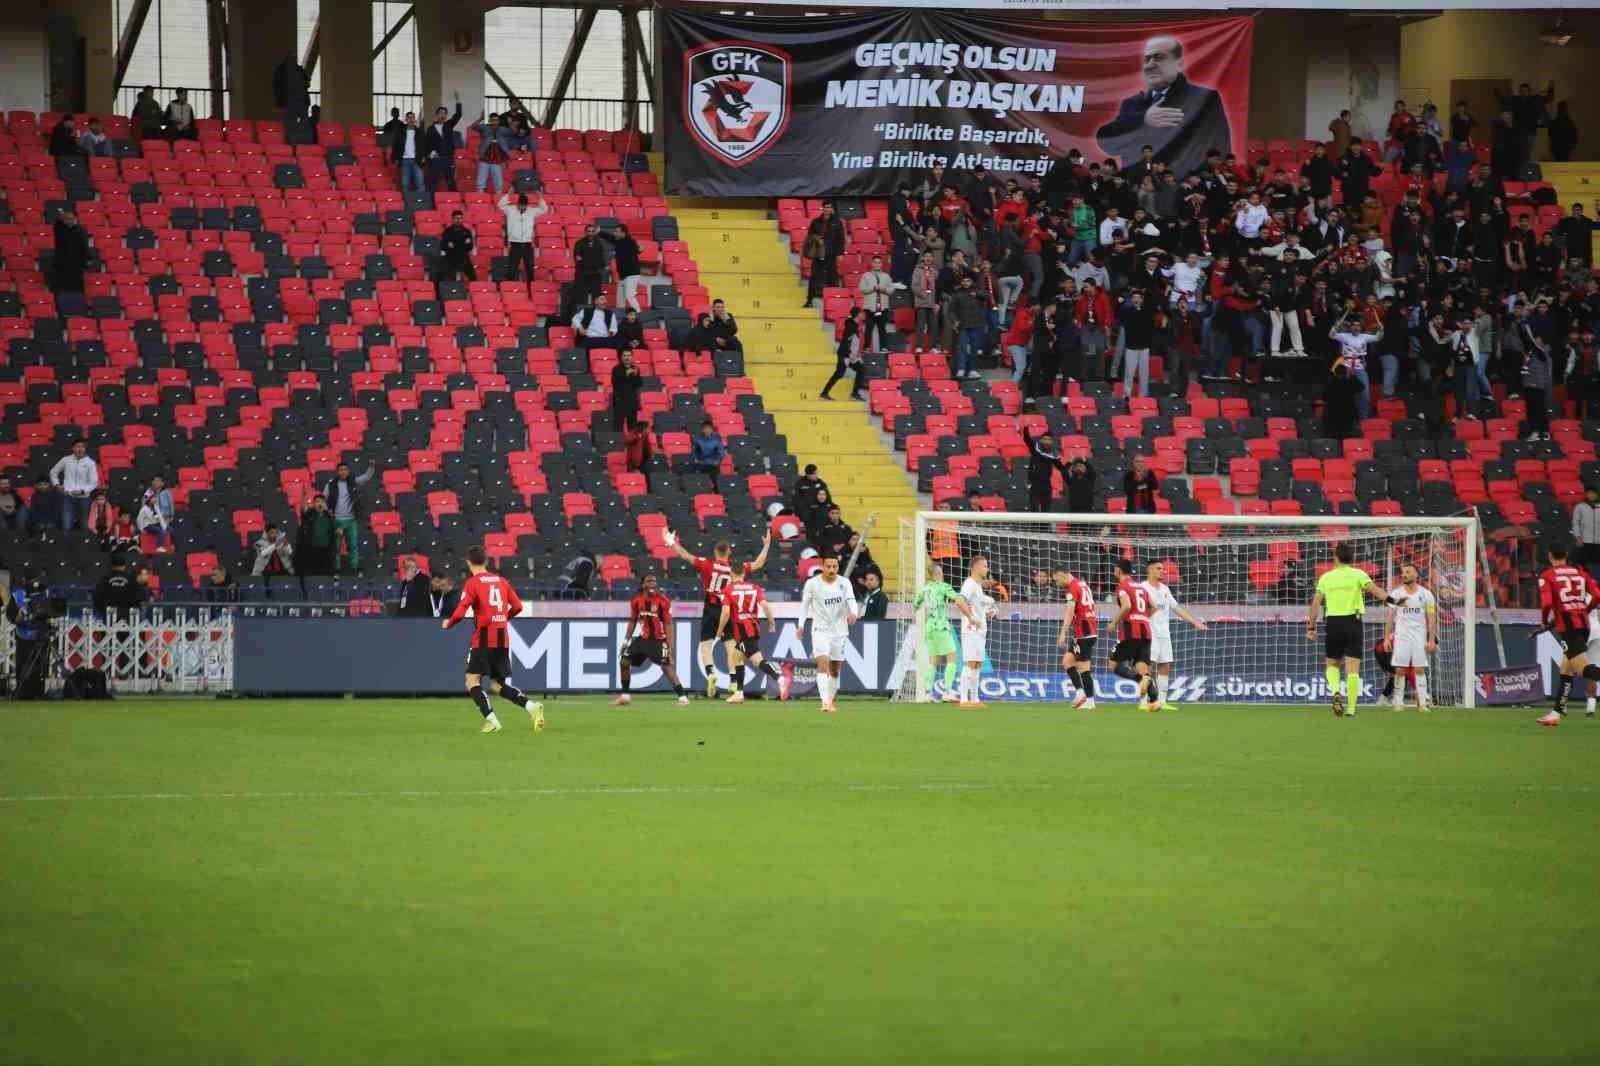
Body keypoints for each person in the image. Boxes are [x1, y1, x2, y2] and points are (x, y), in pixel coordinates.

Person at [1095, 35, 1232, 183]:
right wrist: (1143, 120)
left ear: (1179, 64)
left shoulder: (1204, 98)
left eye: (1159, 57)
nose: (1150, 64)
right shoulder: (1132, 103)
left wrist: (1194, 181)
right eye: (1147, 59)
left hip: (1181, 188)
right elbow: (1108, 143)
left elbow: (1219, 148)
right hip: (1137, 188)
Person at [442, 546, 544, 733]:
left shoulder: (473, 583)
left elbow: (462, 609)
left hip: (483, 637)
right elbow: (518, 606)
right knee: (498, 685)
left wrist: (449, 623)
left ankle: (492, 720)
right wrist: (503, 618)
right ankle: (531, 706)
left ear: (468, 562)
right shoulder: (502, 581)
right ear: (486, 561)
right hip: (502, 637)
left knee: (472, 680)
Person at [667, 529, 771, 699]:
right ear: (729, 552)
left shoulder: (706, 565)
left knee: (706, 644)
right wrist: (766, 545)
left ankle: (711, 673)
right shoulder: (735, 568)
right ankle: (732, 681)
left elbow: (686, 555)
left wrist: (672, 543)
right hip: (728, 608)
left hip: (710, 607)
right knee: (730, 645)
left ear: (715, 551)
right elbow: (758, 563)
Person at [1306, 541, 1394, 718]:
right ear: (1351, 558)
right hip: (1353, 622)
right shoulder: (1358, 574)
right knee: (1353, 669)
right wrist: (1394, 601)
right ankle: (1352, 709)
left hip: (1333, 623)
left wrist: (1311, 626)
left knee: (1332, 664)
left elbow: (1316, 603)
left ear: (1335, 557)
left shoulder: (1326, 577)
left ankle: (1336, 692)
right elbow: (1375, 591)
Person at [1536, 543, 1600, 726]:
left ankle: (1557, 712)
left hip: (1569, 628)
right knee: (1565, 668)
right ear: (1566, 555)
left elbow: (1547, 602)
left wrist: (1543, 620)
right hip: (1585, 625)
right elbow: (1597, 595)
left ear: (1549, 556)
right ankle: (1556, 712)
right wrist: (1583, 610)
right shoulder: (1581, 574)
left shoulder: (1548, 576)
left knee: (1583, 669)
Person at [1140, 560, 1208, 712]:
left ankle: (1162, 702)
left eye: (1163, 569)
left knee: (1164, 666)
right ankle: (1144, 701)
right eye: (1159, 568)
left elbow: (1176, 608)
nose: (1163, 571)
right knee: (1147, 667)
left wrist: (1195, 622)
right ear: (1149, 570)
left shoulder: (1165, 589)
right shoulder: (1142, 588)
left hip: (1164, 634)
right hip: (1148, 634)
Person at [613, 574, 690, 706]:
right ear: (643, 585)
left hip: (660, 641)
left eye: (655, 581)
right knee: (624, 661)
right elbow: (633, 621)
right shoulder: (636, 601)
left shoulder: (663, 601)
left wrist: (670, 647)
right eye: (649, 581)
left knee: (666, 666)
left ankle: (683, 698)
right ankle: (625, 696)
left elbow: (668, 624)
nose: (653, 583)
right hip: (643, 639)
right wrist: (626, 641)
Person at [800, 556, 859, 713]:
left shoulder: (844, 583)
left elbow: (852, 600)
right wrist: (800, 625)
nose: (832, 570)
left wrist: (854, 612)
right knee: (823, 664)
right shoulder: (812, 584)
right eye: (828, 566)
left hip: (839, 631)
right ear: (823, 567)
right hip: (820, 630)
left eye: (835, 566)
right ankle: (825, 702)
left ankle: (830, 701)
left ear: (838, 567)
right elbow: (804, 606)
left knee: (835, 670)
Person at [716, 566, 783, 704]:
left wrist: (719, 629)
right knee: (735, 657)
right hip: (753, 627)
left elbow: (726, 613)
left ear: (731, 573)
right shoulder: (755, 587)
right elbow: (765, 605)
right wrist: (771, 622)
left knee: (757, 660)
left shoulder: (728, 589)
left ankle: (780, 679)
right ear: (744, 573)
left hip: (742, 629)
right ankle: (739, 694)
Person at [913, 562, 974, 702]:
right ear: (938, 574)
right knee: (952, 658)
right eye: (941, 572)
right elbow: (957, 598)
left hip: (929, 626)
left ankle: (927, 694)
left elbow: (916, 604)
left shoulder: (925, 589)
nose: (943, 574)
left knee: (933, 661)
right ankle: (947, 692)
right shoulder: (944, 587)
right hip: (941, 625)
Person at [1381, 563, 1437, 713]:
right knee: (1400, 669)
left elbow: (1431, 618)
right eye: (1403, 572)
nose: (1404, 574)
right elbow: (1390, 617)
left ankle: (1423, 703)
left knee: (1419, 669)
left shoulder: (1426, 594)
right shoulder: (1396, 594)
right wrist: (1387, 638)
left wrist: (1431, 639)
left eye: (1408, 572)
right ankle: (1398, 702)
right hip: (1402, 637)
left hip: (1419, 637)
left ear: (1416, 575)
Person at [1106, 558, 1158, 707]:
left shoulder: (1123, 586)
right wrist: (1141, 617)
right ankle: (1154, 700)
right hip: (1145, 631)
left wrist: (1114, 622)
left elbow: (1127, 605)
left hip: (1130, 631)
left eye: (1115, 568)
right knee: (1141, 666)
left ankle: (1141, 681)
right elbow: (1154, 606)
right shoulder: (1141, 587)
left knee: (1113, 664)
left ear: (1119, 570)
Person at [954, 556, 998, 709]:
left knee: (978, 664)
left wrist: (984, 614)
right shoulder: (970, 583)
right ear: (976, 567)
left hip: (979, 630)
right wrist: (971, 617)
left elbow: (974, 606)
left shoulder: (978, 587)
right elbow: (959, 600)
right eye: (985, 566)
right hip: (971, 630)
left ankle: (974, 698)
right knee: (970, 662)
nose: (987, 569)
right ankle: (964, 700)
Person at [1054, 566, 1099, 710]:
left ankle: (1090, 701)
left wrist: (1063, 632)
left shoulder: (1073, 588)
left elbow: (1069, 611)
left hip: (1084, 632)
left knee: (1083, 668)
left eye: (1057, 580)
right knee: (1067, 661)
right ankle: (1080, 694)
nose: (1057, 584)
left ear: (1062, 575)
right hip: (1088, 629)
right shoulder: (1083, 584)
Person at [319, 461, 375, 574]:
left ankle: (354, 568)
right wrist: (329, 515)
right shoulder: (330, 485)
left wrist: (371, 467)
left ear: (348, 471)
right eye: (341, 470)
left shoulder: (353, 481)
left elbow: (366, 477)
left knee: (353, 545)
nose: (343, 472)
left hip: (351, 520)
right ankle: (337, 569)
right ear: (337, 472)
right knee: (336, 548)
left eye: (345, 470)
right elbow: (322, 499)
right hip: (337, 521)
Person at [6, 573, 51, 698]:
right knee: (24, 664)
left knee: (40, 666)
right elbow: (12, 617)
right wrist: (19, 616)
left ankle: (38, 691)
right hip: (24, 636)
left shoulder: (44, 593)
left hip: (40, 634)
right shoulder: (17, 596)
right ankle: (23, 692)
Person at [499, 191, 548, 286]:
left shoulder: (532, 211)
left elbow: (544, 209)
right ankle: (509, 289)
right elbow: (500, 205)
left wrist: (540, 198)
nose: (522, 207)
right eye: (520, 205)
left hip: (527, 244)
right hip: (515, 244)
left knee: (530, 267)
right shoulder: (510, 210)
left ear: (527, 205)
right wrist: (508, 195)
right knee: (512, 268)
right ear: (517, 204)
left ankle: (531, 289)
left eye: (524, 206)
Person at [803, 202, 845, 307]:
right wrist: (817, 238)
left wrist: (840, 253)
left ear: (832, 209)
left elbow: (841, 239)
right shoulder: (815, 221)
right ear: (822, 208)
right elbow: (809, 236)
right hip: (818, 253)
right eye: (825, 207)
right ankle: (809, 301)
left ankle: (834, 302)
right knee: (813, 277)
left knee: (832, 278)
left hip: (831, 254)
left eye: (829, 207)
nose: (826, 209)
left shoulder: (837, 222)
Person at [51, 439, 98, 531]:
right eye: (78, 446)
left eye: (83, 446)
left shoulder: (90, 463)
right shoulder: (65, 460)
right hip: (68, 496)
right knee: (66, 525)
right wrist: (56, 485)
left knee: (85, 525)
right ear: (73, 448)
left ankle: (83, 544)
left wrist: (82, 491)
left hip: (84, 498)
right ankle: (66, 544)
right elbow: (53, 472)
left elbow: (94, 482)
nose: (80, 449)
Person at [820, 307, 866, 401]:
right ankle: (824, 393)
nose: (863, 314)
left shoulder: (854, 325)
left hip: (849, 354)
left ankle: (854, 394)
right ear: (857, 314)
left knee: (861, 369)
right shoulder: (851, 326)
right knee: (839, 374)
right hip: (844, 354)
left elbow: (853, 342)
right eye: (861, 313)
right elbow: (846, 342)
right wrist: (849, 354)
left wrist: (857, 355)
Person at [1020, 425, 1068, 513]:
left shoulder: (1053, 454)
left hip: (1046, 485)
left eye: (1049, 440)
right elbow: (1027, 440)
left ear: (1052, 442)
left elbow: (1060, 467)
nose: (1047, 441)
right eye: (1045, 439)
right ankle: (1034, 527)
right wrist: (1026, 427)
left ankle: (1044, 527)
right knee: (1034, 509)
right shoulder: (1035, 449)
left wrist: (1069, 463)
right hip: (1034, 484)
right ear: (1041, 440)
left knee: (1046, 510)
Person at [422, 95, 464, 193]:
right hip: (435, 159)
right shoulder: (430, 129)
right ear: (436, 115)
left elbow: (458, 115)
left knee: (451, 182)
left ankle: (454, 202)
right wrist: (429, 154)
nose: (442, 115)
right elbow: (427, 144)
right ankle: (432, 203)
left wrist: (458, 101)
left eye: (444, 113)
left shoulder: (449, 125)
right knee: (432, 182)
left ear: (446, 116)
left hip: (448, 158)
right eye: (440, 113)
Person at [93, 553, 147, 621]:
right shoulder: (130, 579)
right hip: (126, 616)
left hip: (108, 615)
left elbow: (97, 597)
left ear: (112, 566)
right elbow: (139, 597)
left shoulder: (104, 579)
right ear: (124, 566)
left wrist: (102, 611)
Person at [295, 491, 336, 577]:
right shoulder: (310, 514)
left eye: (322, 502)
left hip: (326, 549)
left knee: (324, 575)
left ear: (325, 504)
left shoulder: (330, 516)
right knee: (313, 574)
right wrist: (304, 497)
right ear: (313, 504)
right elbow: (303, 509)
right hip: (311, 549)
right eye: (317, 502)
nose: (320, 504)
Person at [858, 254, 894, 353]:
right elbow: (862, 289)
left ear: (882, 264)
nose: (877, 264)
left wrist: (883, 289)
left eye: (879, 263)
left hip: (883, 307)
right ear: (872, 264)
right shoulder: (866, 276)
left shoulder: (886, 276)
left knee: (882, 328)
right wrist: (873, 288)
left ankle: (884, 347)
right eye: (875, 262)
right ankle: (866, 347)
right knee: (869, 328)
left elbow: (891, 290)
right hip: (870, 307)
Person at [50, 207, 89, 295]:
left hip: (76, 264)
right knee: (62, 288)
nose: (69, 221)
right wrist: (61, 214)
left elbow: (84, 245)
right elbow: (57, 222)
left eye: (71, 219)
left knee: (77, 288)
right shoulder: (59, 229)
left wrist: (87, 258)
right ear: (63, 220)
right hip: (62, 264)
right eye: (67, 219)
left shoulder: (80, 229)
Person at [469, 112, 512, 194]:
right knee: (480, 182)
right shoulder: (484, 127)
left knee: (499, 183)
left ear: (499, 121)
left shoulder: (502, 129)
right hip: (484, 157)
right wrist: (480, 118)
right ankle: (480, 199)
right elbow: (473, 127)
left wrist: (510, 123)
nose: (494, 122)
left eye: (496, 120)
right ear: (489, 120)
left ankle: (498, 199)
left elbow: (513, 132)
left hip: (496, 159)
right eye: (492, 120)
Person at [435, 210, 476, 287]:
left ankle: (475, 293)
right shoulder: (447, 231)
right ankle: (438, 295)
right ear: (453, 219)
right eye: (456, 218)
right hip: (450, 257)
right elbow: (443, 246)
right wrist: (461, 244)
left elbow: (470, 247)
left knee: (473, 276)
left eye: (460, 218)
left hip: (463, 257)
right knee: (439, 275)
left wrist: (454, 245)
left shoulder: (467, 232)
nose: (458, 220)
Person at [572, 223, 609, 306]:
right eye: (589, 231)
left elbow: (601, 259)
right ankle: (579, 313)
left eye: (592, 231)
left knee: (597, 295)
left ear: (595, 232)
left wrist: (603, 265)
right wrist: (591, 262)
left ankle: (595, 314)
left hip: (595, 273)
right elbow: (578, 258)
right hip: (582, 273)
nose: (590, 233)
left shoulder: (599, 244)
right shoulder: (579, 243)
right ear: (585, 232)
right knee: (579, 296)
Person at [911, 250, 940, 353]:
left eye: (930, 256)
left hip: (932, 303)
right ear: (923, 258)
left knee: (933, 326)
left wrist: (937, 303)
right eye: (926, 256)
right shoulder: (917, 270)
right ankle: (919, 346)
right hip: (921, 301)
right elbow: (914, 286)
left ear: (932, 259)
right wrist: (920, 293)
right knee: (920, 325)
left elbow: (938, 288)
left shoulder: (935, 272)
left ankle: (933, 347)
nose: (928, 258)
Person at [608, 343, 641, 430]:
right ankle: (618, 443)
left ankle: (632, 443)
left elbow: (639, 384)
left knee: (633, 427)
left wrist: (636, 375)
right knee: (618, 426)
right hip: (620, 401)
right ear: (621, 357)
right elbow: (615, 382)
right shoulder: (616, 369)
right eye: (625, 355)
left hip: (632, 401)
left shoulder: (635, 368)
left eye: (629, 355)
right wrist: (626, 375)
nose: (627, 358)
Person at [613, 225, 643, 312]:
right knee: (620, 300)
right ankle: (620, 317)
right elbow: (610, 237)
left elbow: (637, 250)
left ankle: (638, 315)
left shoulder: (630, 241)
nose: (615, 233)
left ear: (623, 233)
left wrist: (640, 250)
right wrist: (600, 232)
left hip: (632, 274)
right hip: (622, 275)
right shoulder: (618, 241)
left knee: (630, 296)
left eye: (617, 231)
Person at [273, 54, 310, 126]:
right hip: (294, 102)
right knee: (294, 123)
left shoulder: (284, 71)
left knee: (294, 123)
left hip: (296, 101)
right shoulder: (297, 70)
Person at [390, 111, 423, 191]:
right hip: (404, 160)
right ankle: (406, 202)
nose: (411, 120)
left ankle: (420, 202)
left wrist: (424, 156)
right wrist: (395, 158)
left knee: (420, 183)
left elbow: (424, 146)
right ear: (406, 119)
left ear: (415, 119)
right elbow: (395, 146)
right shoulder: (400, 132)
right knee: (405, 184)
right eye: (409, 118)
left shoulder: (420, 132)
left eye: (412, 118)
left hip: (417, 160)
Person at [1571, 486, 1600, 577]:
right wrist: (1578, 537)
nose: (1591, 495)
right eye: (1589, 493)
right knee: (1586, 565)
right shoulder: (1580, 507)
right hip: (1585, 540)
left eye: (1593, 493)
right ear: (1586, 494)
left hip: (1599, 541)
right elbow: (1575, 523)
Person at [691, 420, 725, 489]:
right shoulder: (698, 440)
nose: (707, 430)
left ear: (712, 430)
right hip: (701, 464)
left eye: (709, 428)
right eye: (705, 428)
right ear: (702, 430)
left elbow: (721, 453)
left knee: (717, 483)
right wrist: (695, 459)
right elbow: (694, 452)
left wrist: (717, 461)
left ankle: (717, 494)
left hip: (713, 465)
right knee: (700, 483)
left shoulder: (717, 440)